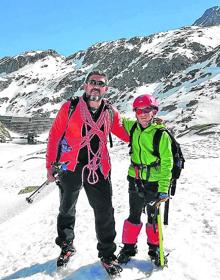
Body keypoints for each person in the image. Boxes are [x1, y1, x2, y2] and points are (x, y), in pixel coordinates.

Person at [46, 70, 129, 274]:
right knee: (66, 208)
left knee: (104, 211)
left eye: (100, 83)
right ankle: (66, 245)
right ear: (85, 85)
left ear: (105, 89)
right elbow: (55, 135)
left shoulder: (110, 112)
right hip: (70, 166)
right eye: (92, 82)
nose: (95, 86)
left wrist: (148, 128)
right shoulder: (71, 107)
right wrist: (50, 166)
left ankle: (108, 255)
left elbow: (124, 131)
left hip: (98, 167)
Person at [117, 94, 173, 266]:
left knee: (153, 217)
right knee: (133, 215)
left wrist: (164, 188)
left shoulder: (161, 134)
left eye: (147, 110)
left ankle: (154, 249)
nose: (142, 114)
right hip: (135, 179)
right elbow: (118, 119)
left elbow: (167, 162)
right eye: (138, 110)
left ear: (154, 111)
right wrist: (105, 104)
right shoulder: (133, 127)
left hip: (154, 183)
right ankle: (128, 248)